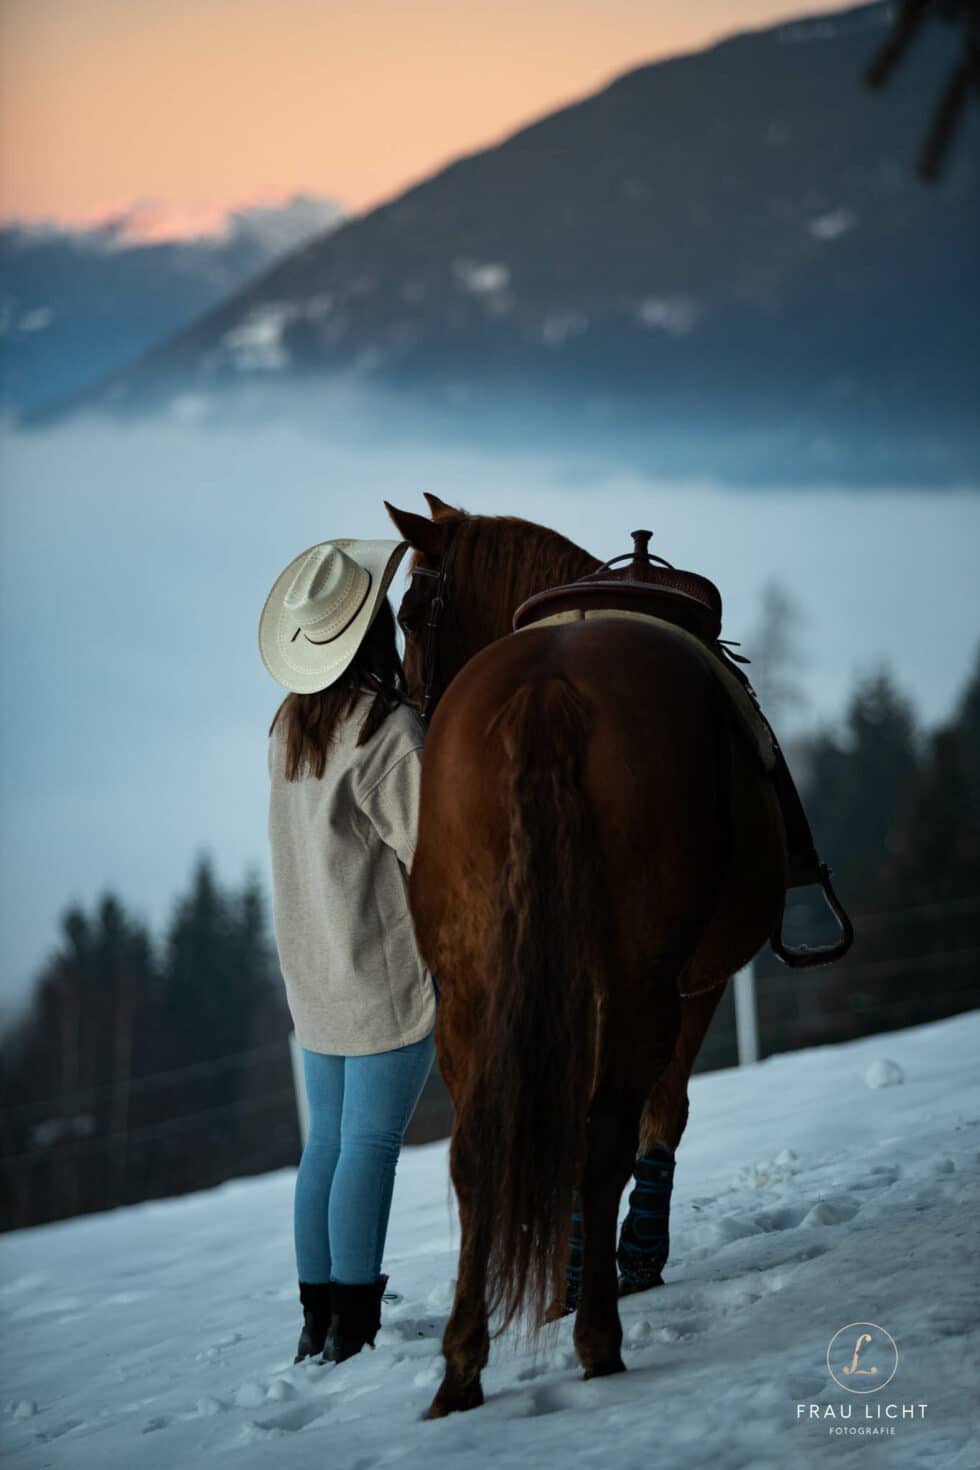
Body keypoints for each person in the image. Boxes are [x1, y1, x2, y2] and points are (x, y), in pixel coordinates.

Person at [258, 536, 437, 1366]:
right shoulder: (387, 731)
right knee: (368, 1147)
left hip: (313, 975)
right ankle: (354, 1325)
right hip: (381, 977)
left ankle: (319, 1319)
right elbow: (435, 849)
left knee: (326, 1146)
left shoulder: (289, 725)